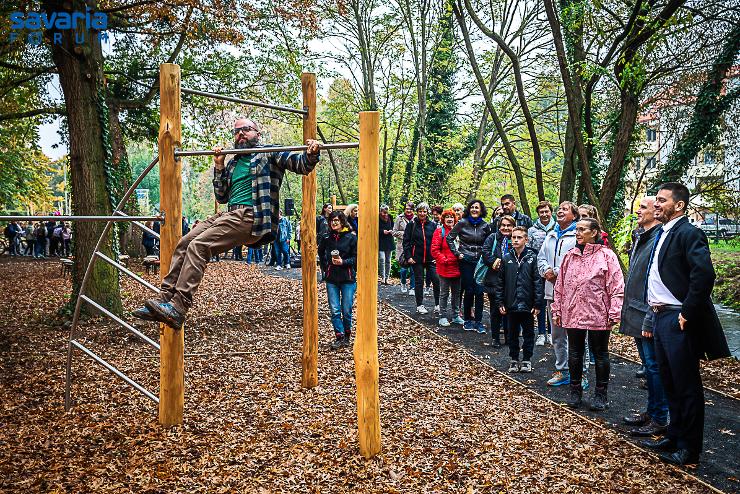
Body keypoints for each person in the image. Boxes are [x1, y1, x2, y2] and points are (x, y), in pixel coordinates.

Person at [132, 117, 321, 329]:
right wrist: (219, 166)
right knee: (185, 242)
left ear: (257, 134)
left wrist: (311, 153)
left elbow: (301, 164)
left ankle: (178, 307)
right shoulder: (232, 163)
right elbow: (221, 196)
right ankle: (164, 299)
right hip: (229, 213)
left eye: (247, 130)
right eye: (237, 131)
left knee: (199, 246)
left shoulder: (269, 152)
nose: (241, 134)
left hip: (252, 215)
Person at [641, 182, 730, 466]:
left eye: (661, 200)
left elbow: (703, 275)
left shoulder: (690, 233)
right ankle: (674, 435)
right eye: (655, 200)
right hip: (659, 315)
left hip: (678, 317)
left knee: (686, 385)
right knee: (669, 380)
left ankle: (689, 448)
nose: (656, 205)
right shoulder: (662, 233)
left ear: (679, 205)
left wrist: (687, 313)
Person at [552, 217, 624, 411]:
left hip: (598, 313)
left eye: (582, 230)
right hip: (573, 311)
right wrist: (557, 308)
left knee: (600, 353)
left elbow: (617, 285)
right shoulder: (570, 256)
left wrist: (615, 310)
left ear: (594, 233)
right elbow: (560, 286)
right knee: (574, 352)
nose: (578, 233)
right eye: (577, 230)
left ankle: (601, 394)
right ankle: (575, 391)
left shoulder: (607, 255)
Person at [619, 196, 668, 437]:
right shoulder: (641, 235)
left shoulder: (658, 238)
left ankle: (660, 417)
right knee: (648, 368)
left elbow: (655, 282)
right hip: (636, 311)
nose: (637, 211)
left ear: (655, 213)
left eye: (642, 208)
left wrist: (650, 315)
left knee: (654, 366)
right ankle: (652, 411)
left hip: (648, 313)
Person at [537, 201, 579, 387]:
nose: (560, 211)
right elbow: (540, 257)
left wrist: (556, 272)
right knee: (557, 334)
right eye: (559, 209)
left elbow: (579, 261)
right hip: (551, 291)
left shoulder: (578, 235)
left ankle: (581, 372)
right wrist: (545, 270)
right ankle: (562, 370)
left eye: (565, 209)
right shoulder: (551, 234)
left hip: (572, 293)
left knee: (576, 335)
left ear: (574, 215)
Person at [493, 227, 544, 373]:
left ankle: (527, 359)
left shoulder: (532, 257)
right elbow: (500, 282)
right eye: (513, 237)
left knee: (528, 333)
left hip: (527, 304)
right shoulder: (506, 258)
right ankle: (514, 359)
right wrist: (500, 302)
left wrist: (537, 303)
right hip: (511, 304)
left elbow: (537, 281)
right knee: (512, 333)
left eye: (519, 237)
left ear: (526, 239)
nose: (515, 240)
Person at [446, 199, 491, 331]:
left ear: (481, 210)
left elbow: (489, 242)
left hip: (480, 262)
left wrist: (486, 256)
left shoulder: (485, 225)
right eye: (472, 207)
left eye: (477, 207)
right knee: (469, 289)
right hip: (466, 260)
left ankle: (478, 321)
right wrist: (456, 253)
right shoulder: (462, 223)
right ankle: (467, 320)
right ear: (469, 209)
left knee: (479, 291)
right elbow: (449, 238)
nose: (474, 210)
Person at [318, 211, 357, 349]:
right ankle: (339, 336)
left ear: (342, 221)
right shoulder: (326, 237)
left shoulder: (351, 237)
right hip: (332, 279)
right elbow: (320, 252)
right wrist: (325, 267)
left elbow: (356, 258)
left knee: (346, 309)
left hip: (348, 278)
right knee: (334, 309)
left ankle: (347, 335)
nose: (334, 223)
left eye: (336, 220)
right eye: (332, 220)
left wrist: (343, 262)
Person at [482, 215, 516, 343]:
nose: (506, 228)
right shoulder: (493, 238)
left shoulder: (515, 239)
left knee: (510, 310)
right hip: (494, 280)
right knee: (495, 310)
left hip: (511, 281)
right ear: (499, 226)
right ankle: (495, 337)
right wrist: (499, 264)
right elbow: (485, 253)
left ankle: (509, 337)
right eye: (503, 225)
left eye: (509, 225)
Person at [403, 202, 440, 314]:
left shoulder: (432, 225)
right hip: (416, 258)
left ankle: (438, 304)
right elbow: (406, 242)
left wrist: (437, 256)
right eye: (420, 211)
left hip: (431, 258)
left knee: (436, 280)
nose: (422, 213)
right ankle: (420, 305)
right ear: (417, 212)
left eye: (424, 211)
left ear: (427, 212)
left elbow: (437, 242)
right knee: (419, 281)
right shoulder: (412, 224)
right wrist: (409, 256)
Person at [528, 200, 555, 346]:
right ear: (538, 214)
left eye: (546, 211)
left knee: (552, 302)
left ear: (551, 212)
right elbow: (529, 249)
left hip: (553, 272)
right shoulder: (532, 230)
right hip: (538, 270)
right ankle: (541, 333)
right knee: (540, 301)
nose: (544, 214)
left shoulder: (557, 228)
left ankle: (551, 332)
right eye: (541, 212)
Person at [431, 209, 463, 327]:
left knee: (456, 293)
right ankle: (442, 316)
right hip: (444, 267)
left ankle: (455, 315)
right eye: (447, 217)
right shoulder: (440, 232)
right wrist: (444, 260)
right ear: (443, 219)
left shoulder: (459, 232)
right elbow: (434, 250)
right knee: (444, 293)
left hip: (458, 267)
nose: (450, 219)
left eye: (452, 217)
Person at [393, 202, 416, 294]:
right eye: (407, 208)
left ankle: (412, 288)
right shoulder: (399, 218)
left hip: (413, 247)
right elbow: (394, 232)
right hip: (402, 246)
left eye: (410, 209)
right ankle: (403, 283)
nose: (408, 210)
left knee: (413, 268)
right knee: (403, 269)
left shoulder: (416, 219)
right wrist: (405, 234)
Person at [378, 205, 395, 285]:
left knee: (388, 260)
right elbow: (375, 228)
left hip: (389, 241)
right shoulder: (377, 218)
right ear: (380, 211)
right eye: (383, 212)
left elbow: (393, 226)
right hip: (381, 241)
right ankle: (382, 277)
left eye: (386, 213)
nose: (385, 214)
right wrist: (382, 231)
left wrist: (391, 231)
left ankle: (387, 278)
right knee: (382, 259)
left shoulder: (390, 217)